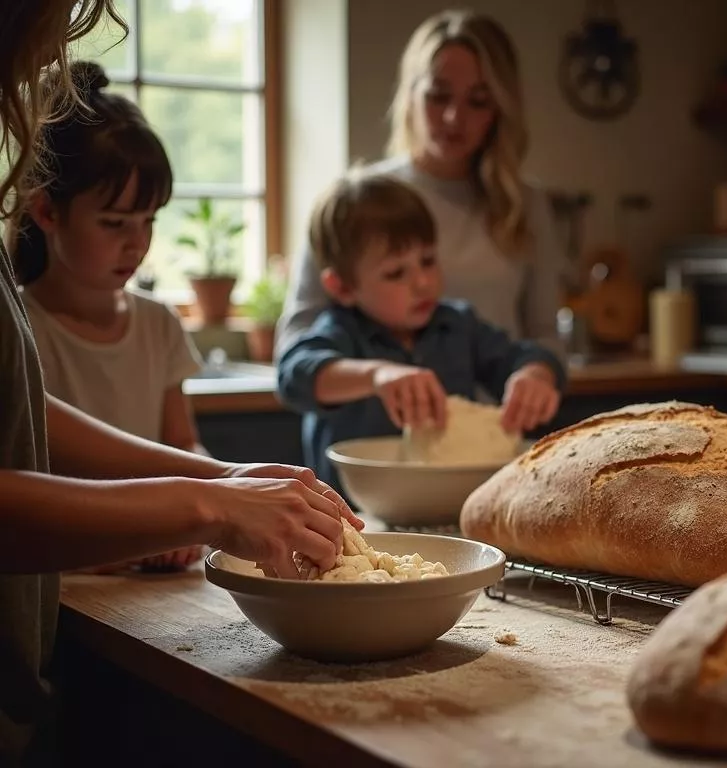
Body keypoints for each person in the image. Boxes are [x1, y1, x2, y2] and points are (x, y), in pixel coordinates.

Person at [0, 4, 361, 764]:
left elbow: (27, 410)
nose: (60, 42)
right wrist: (208, 503)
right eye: (54, 19)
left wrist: (220, 478)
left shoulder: (153, 324)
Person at [276, 9, 570, 361]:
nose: (454, 118)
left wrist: (537, 374)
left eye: (477, 101)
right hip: (376, 414)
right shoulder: (356, 202)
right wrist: (375, 377)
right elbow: (295, 347)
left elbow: (545, 336)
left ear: (499, 109)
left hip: (495, 414)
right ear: (410, 95)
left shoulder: (525, 204)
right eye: (438, 95)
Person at [10, 61, 206, 572]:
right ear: (47, 212)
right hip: (70, 572)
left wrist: (201, 507)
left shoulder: (159, 323)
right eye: (115, 222)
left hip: (156, 566)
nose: (136, 242)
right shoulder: (23, 330)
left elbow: (182, 440)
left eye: (148, 222)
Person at [277, 172, 565, 490]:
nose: (423, 283)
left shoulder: (458, 325)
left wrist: (535, 375)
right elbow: (295, 374)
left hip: (453, 508)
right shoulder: (340, 331)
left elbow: (523, 355)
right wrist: (376, 375)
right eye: (396, 273)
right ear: (343, 287)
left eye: (427, 261)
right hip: (353, 519)